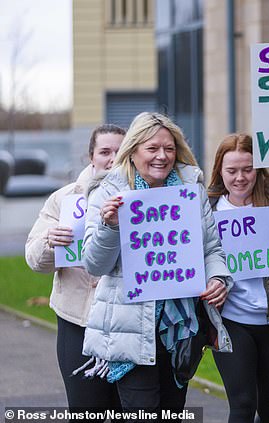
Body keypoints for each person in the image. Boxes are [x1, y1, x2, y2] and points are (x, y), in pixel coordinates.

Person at [81, 112, 232, 419]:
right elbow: (95, 264)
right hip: (130, 330)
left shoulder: (192, 188)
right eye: (152, 149)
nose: (162, 156)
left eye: (169, 148)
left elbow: (212, 249)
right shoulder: (108, 192)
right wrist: (110, 226)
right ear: (133, 151)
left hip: (179, 332)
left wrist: (218, 278)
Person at [25, 124, 125, 419]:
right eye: (105, 152)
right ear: (90, 157)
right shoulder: (64, 199)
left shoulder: (142, 200)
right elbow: (34, 260)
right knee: (86, 410)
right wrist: (49, 242)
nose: (112, 158)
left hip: (124, 322)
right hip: (77, 321)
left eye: (120, 151)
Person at [207, 133, 269, 423]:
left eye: (248, 169)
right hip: (231, 321)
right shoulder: (206, 209)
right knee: (242, 405)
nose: (241, 178)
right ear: (220, 170)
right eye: (232, 171)